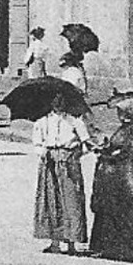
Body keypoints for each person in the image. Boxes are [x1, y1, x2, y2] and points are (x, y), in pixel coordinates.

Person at [88, 91, 133, 263]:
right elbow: (114, 148)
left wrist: (105, 154)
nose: (118, 115)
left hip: (122, 175)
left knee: (124, 210)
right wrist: (103, 148)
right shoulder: (124, 129)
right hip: (114, 174)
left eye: (121, 111)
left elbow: (125, 153)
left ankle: (127, 249)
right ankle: (108, 247)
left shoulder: (132, 132)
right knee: (110, 209)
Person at [32, 88, 92, 254]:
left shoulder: (75, 122)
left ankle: (72, 242)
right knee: (52, 200)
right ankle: (55, 242)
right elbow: (37, 143)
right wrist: (43, 152)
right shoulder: (42, 122)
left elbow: (86, 144)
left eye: (61, 100)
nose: (58, 103)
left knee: (71, 200)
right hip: (49, 163)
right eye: (55, 100)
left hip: (68, 162)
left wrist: (76, 153)